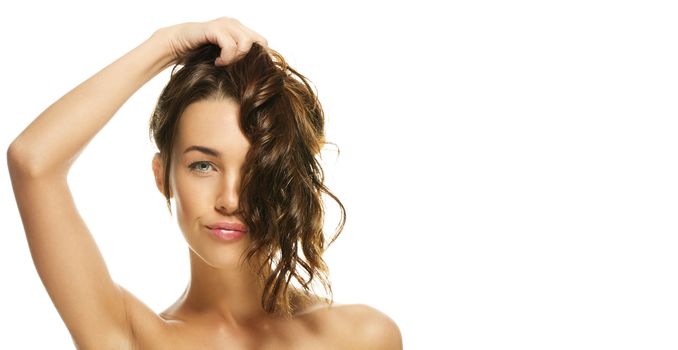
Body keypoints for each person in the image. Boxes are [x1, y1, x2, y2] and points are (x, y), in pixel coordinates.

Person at [7, 16, 402, 349]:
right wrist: (166, 45)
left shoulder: (362, 336)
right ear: (163, 177)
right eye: (203, 166)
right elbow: (33, 161)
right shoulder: (136, 339)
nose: (231, 199)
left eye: (256, 167)